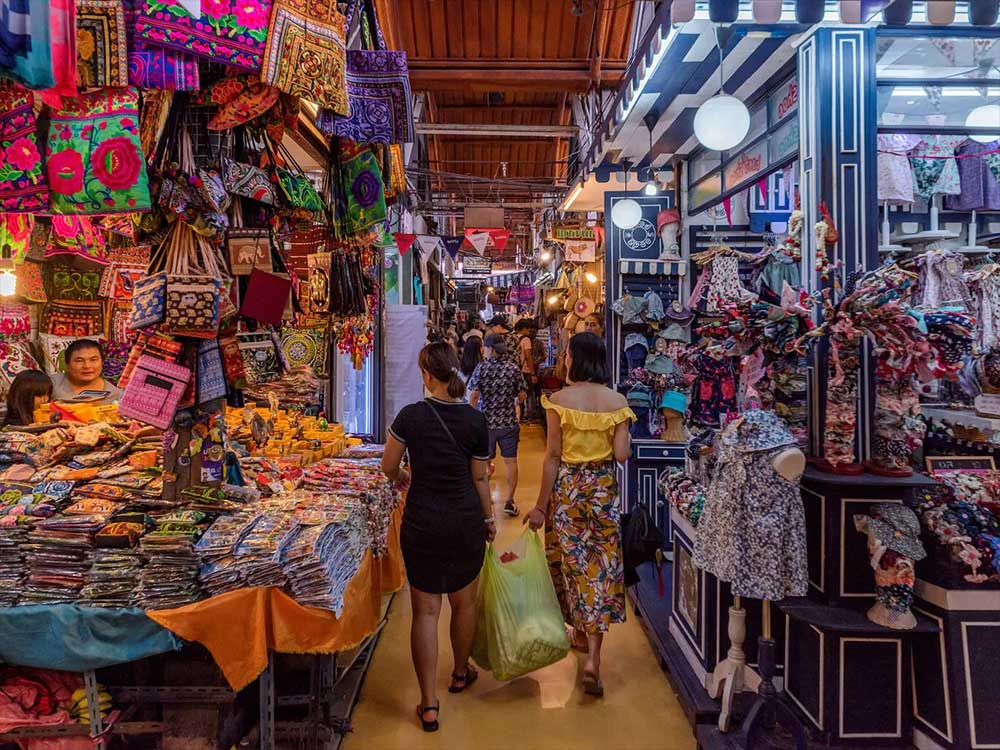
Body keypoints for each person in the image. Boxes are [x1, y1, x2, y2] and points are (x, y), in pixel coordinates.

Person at [381, 343, 495, 733]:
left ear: (428, 375)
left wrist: (406, 480)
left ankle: (429, 703)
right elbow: (480, 478)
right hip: (465, 521)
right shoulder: (476, 422)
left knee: (425, 612)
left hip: (422, 522)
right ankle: (461, 674)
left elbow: (388, 466)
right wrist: (489, 517)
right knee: (464, 605)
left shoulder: (411, 416)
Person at [525, 332, 634, 697]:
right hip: (603, 490)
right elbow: (621, 456)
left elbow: (553, 457)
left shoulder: (559, 401)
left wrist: (541, 505)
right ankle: (594, 656)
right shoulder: (618, 402)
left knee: (573, 564)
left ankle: (579, 633)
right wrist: (623, 429)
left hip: (569, 493)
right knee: (600, 568)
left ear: (575, 358)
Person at [469, 334, 526, 518]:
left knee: (484, 462)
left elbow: (475, 395)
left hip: (486, 424)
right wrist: (513, 403)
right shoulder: (513, 369)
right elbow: (523, 394)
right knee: (511, 461)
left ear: (491, 349)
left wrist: (470, 415)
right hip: (508, 423)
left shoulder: (482, 368)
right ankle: (510, 501)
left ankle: (485, 501)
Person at [50, 340, 122, 405]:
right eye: (79, 360)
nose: (87, 366)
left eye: (93, 360)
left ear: (102, 362)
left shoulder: (114, 394)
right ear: (67, 364)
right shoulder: (51, 385)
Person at [515, 318, 540, 421]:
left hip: (515, 370)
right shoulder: (526, 340)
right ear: (524, 328)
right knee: (530, 393)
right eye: (529, 329)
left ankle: (519, 416)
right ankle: (530, 416)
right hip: (525, 370)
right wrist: (533, 373)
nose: (530, 331)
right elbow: (528, 357)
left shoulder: (513, 337)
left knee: (518, 392)